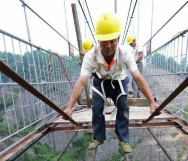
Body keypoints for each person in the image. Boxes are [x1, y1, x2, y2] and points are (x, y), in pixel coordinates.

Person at [64, 12, 159, 153]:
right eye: (104, 41)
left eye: (112, 41)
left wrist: (151, 101)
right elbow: (81, 82)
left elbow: (138, 78)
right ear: (98, 39)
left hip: (118, 79)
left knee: (123, 107)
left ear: (118, 39)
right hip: (100, 81)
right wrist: (70, 107)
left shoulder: (125, 53)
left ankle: (123, 139)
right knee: (96, 108)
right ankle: (98, 137)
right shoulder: (91, 56)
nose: (108, 46)